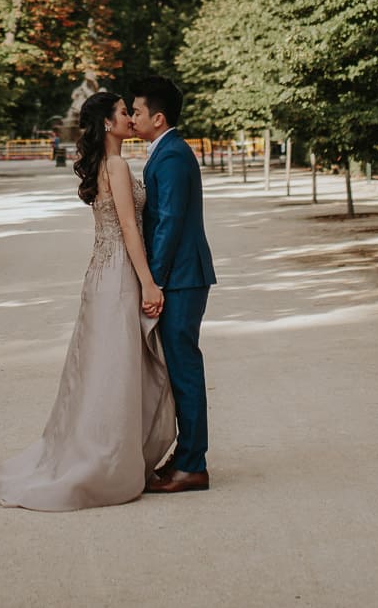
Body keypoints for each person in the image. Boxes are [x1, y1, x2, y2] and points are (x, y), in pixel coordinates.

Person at [0, 91, 176, 510]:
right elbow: (129, 228)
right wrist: (148, 283)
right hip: (121, 277)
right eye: (124, 112)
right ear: (108, 124)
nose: (131, 117)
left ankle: (97, 450)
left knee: (100, 367)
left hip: (101, 274)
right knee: (114, 368)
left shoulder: (102, 165)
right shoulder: (117, 165)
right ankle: (104, 460)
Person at [132, 74, 215, 493]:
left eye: (138, 111)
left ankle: (192, 465)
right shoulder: (163, 153)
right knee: (179, 367)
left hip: (181, 279)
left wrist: (154, 283)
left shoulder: (173, 157)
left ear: (158, 117)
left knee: (184, 369)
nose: (132, 117)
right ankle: (185, 457)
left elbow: (169, 223)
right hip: (179, 276)